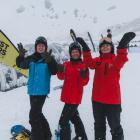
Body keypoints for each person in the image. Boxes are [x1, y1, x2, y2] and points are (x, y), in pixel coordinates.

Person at [76, 32, 135, 140]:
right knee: (99, 126)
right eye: (102, 46)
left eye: (107, 45)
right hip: (97, 100)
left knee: (115, 128)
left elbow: (122, 57)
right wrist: (84, 47)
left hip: (113, 102)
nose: (105, 47)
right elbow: (89, 62)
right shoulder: (97, 61)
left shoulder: (115, 60)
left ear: (111, 47)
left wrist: (122, 45)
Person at [16, 36, 58, 140]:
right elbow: (21, 65)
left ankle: (37, 137)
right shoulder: (31, 58)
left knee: (33, 117)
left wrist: (50, 61)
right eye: (39, 45)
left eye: (42, 46)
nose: (40, 47)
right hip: (32, 91)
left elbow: (54, 71)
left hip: (42, 92)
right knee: (38, 114)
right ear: (36, 47)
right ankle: (47, 134)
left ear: (45, 47)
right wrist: (20, 56)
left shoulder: (48, 58)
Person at [57, 42, 89, 140]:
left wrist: (83, 76)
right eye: (73, 52)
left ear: (80, 53)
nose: (75, 53)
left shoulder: (83, 65)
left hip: (75, 98)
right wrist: (59, 70)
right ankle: (82, 137)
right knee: (75, 118)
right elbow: (61, 77)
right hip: (67, 97)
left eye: (77, 52)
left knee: (63, 121)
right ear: (70, 53)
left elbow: (85, 82)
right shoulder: (67, 64)